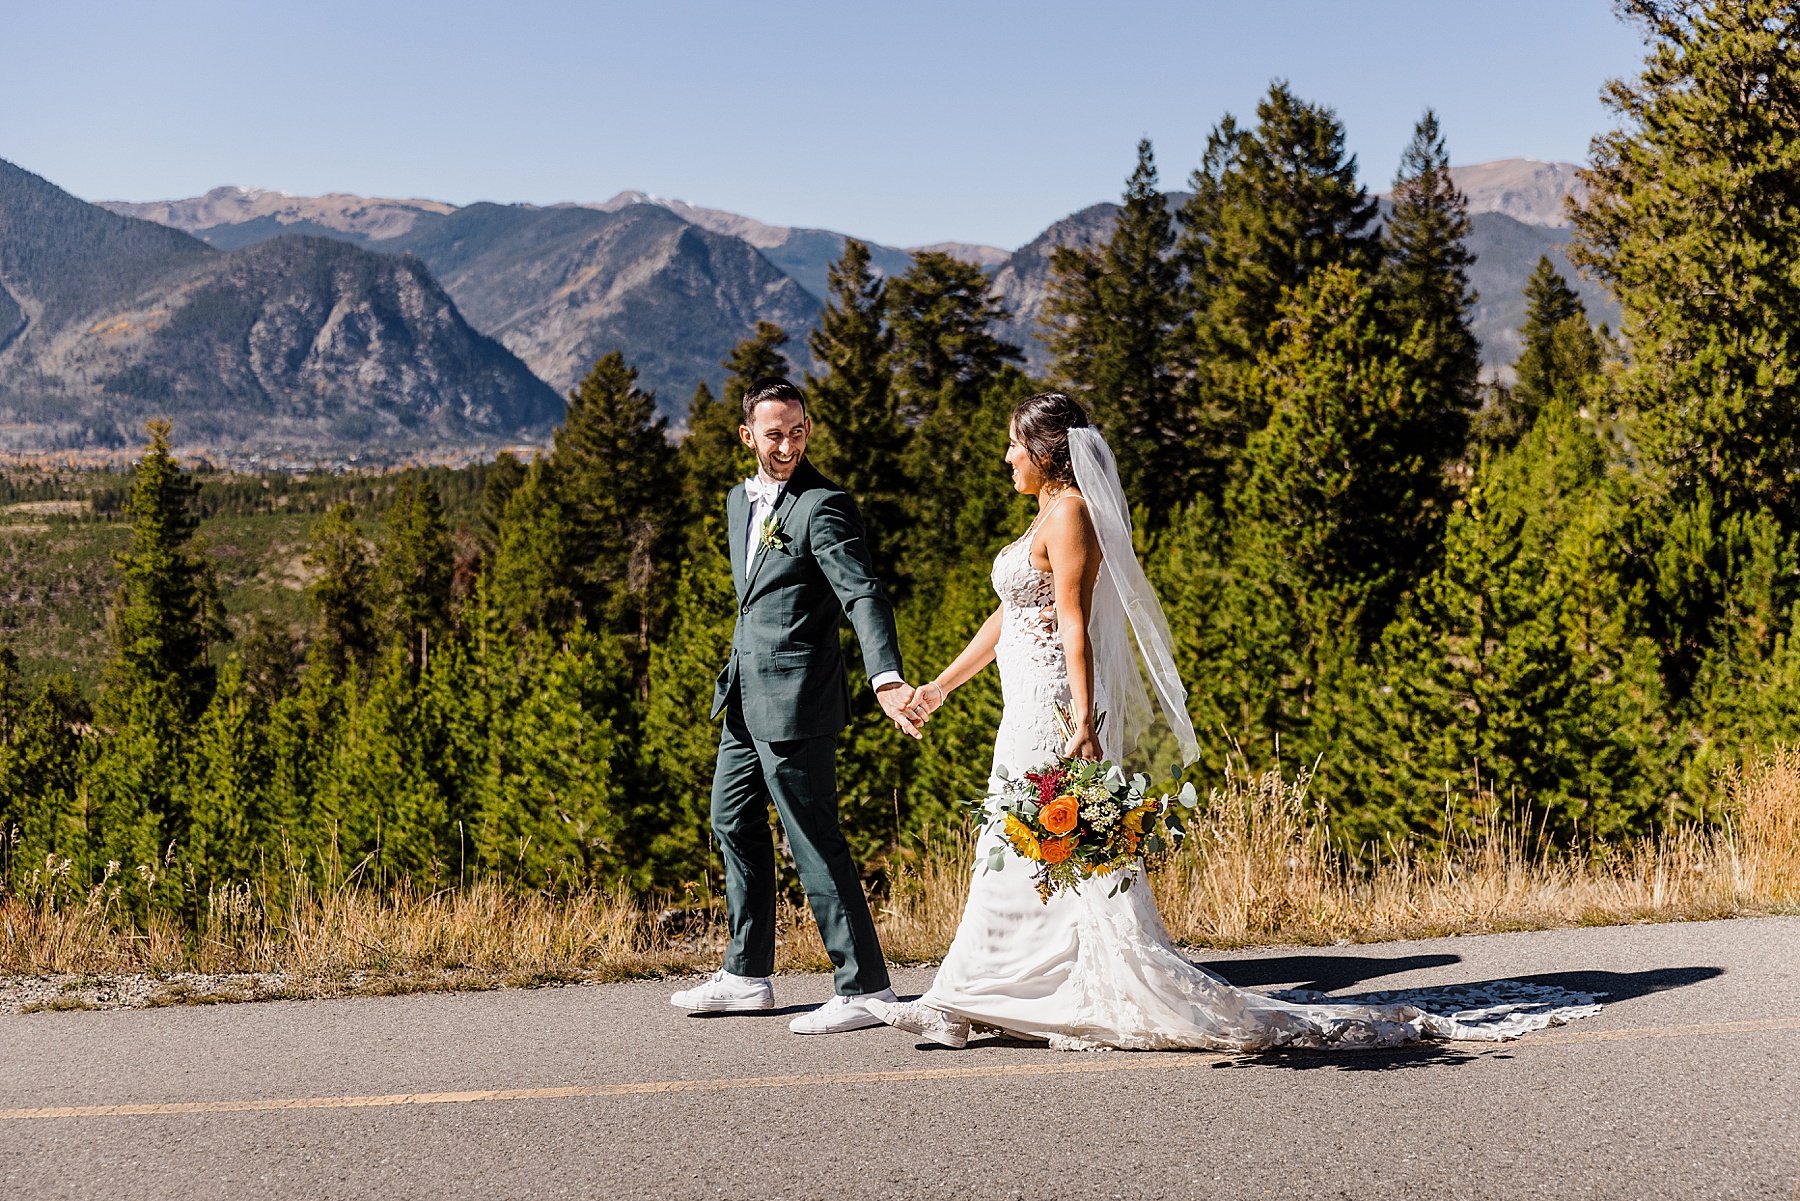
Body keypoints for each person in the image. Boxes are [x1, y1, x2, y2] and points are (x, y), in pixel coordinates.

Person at [864, 391, 1599, 1051]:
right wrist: (940, 685)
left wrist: (1083, 721)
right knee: (1023, 839)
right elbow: (1009, 616)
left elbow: (1075, 623)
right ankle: (996, 992)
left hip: (1055, 703)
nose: (1006, 457)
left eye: (1014, 445)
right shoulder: (1045, 516)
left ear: (1047, 453)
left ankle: (959, 998)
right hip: (1021, 702)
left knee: (1034, 838)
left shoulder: (1073, 514)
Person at [669, 378, 922, 1035]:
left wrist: (886, 675)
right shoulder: (736, 502)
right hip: (745, 699)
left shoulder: (824, 504)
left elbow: (862, 593)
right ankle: (747, 974)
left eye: (798, 431)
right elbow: (754, 601)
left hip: (799, 702)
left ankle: (866, 986)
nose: (788, 444)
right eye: (774, 433)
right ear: (747, 435)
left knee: (813, 839)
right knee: (730, 821)